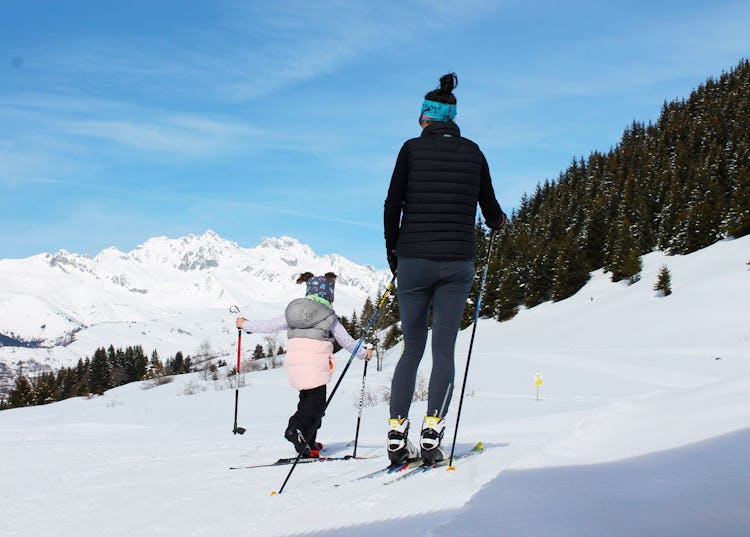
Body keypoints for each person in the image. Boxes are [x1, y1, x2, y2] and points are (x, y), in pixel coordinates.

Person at [383, 73, 507, 465]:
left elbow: (392, 204)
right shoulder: (474, 153)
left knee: (412, 349)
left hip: (414, 260)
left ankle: (397, 429)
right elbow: (492, 212)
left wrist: (394, 253)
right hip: (457, 261)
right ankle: (434, 425)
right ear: (453, 118)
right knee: (444, 349)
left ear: (425, 118)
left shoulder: (410, 150)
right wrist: (500, 222)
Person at [235, 271, 372, 458]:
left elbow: (268, 325)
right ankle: (295, 428)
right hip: (316, 365)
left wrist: (246, 325)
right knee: (316, 404)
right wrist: (365, 353)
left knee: (307, 400)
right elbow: (346, 342)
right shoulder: (329, 317)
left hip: (295, 365)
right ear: (329, 294)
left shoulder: (292, 314)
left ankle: (308, 440)